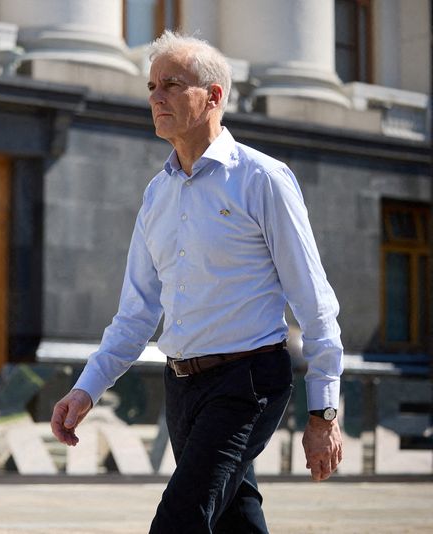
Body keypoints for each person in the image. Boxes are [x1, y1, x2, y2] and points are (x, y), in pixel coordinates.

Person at [50, 30, 344, 533]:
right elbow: (136, 313)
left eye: (171, 84)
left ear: (213, 96)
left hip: (248, 382)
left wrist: (324, 412)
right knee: (236, 523)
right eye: (151, 86)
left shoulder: (262, 179)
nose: (156, 97)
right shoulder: (155, 195)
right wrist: (87, 388)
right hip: (181, 385)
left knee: (179, 522)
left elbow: (313, 302)